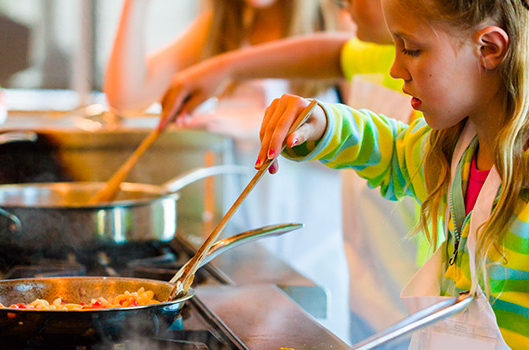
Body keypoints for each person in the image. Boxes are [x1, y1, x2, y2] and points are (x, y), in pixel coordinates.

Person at [256, 0, 529, 348]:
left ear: (490, 49)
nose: (395, 69)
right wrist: (326, 125)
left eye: (412, 50)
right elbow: (395, 153)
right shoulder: (466, 145)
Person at [156, 0, 423, 343]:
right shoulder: (385, 55)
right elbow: (337, 54)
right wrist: (226, 68)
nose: (344, 3)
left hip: (414, 313)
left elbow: (395, 151)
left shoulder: (413, 67)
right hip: (367, 300)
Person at [104, 0, 351, 340]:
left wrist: (254, 124)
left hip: (310, 259)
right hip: (239, 258)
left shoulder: (340, 27)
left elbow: (369, 141)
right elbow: (126, 96)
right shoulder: (222, 28)